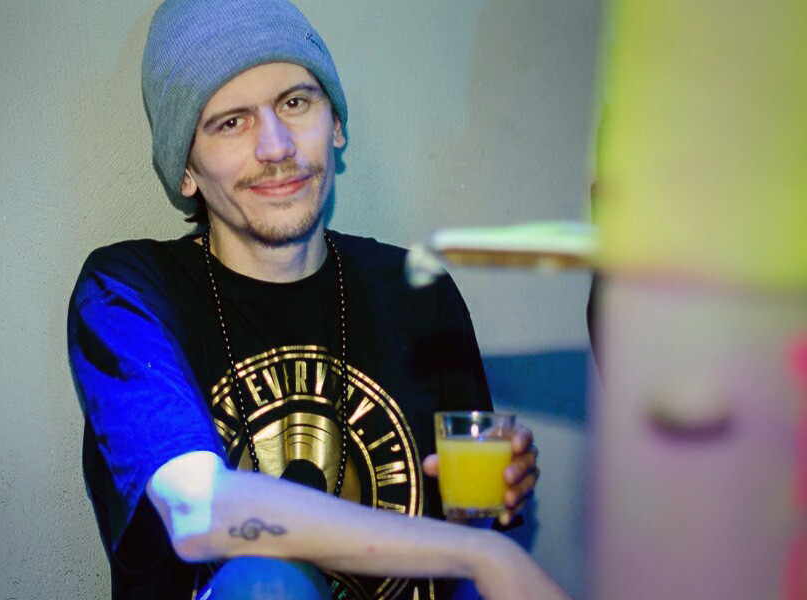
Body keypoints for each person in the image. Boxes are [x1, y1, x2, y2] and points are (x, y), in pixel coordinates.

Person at [67, 0, 566, 598]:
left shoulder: (417, 292)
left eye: (295, 103)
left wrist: (476, 516)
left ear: (335, 125)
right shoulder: (129, 292)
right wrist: (483, 553)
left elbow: (448, 551)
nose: (276, 146)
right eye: (231, 122)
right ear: (185, 172)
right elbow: (198, 510)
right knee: (264, 580)